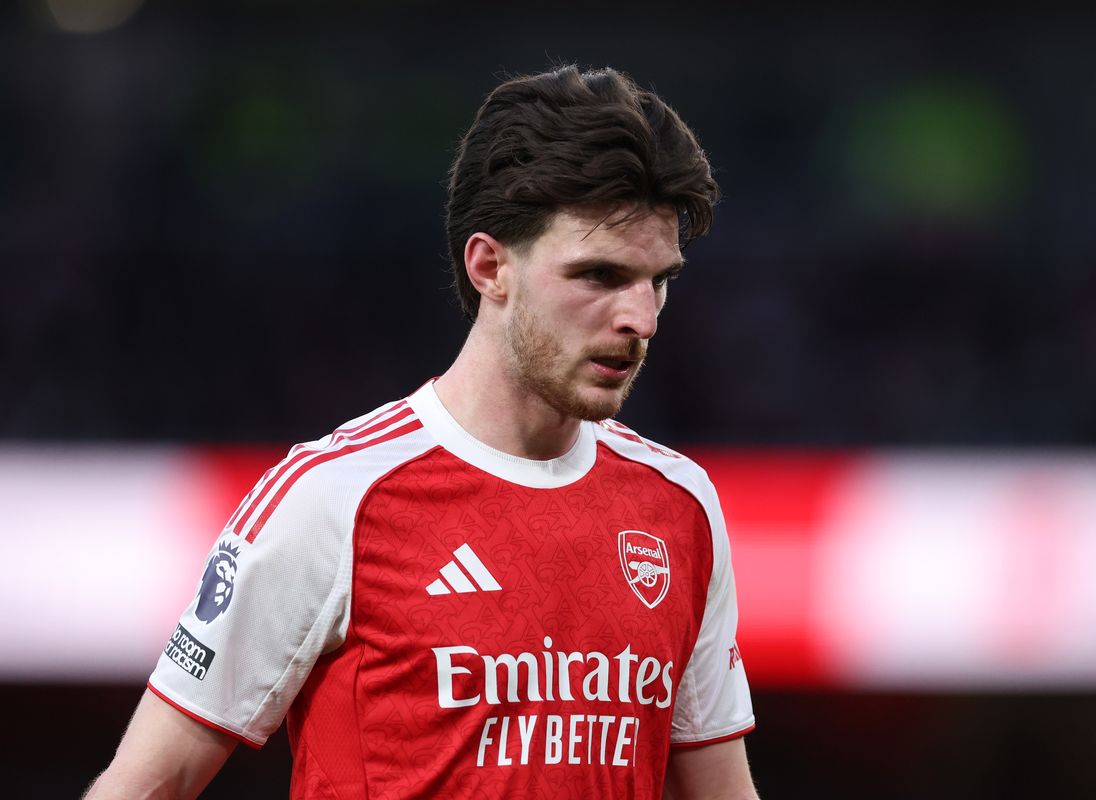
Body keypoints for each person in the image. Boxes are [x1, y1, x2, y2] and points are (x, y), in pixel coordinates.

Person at [85, 64, 757, 800]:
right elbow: (146, 785)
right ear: (490, 267)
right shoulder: (333, 498)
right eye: (600, 275)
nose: (642, 319)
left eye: (659, 280)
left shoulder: (680, 507)